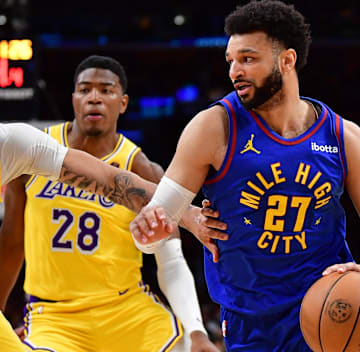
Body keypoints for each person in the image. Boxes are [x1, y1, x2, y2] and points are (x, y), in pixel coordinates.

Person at [130, 0, 360, 351]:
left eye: (248, 59)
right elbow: (155, 230)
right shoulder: (212, 128)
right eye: (231, 61)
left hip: (328, 308)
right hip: (249, 323)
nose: (234, 71)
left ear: (287, 60)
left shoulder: (343, 137)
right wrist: (149, 233)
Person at [0, 55, 221, 352]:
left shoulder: (140, 167)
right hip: (55, 315)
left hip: (126, 308)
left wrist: (196, 331)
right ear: (73, 98)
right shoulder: (30, 157)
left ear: (123, 102)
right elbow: (12, 242)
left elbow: (170, 259)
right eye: (85, 90)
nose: (94, 99)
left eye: (105, 90)